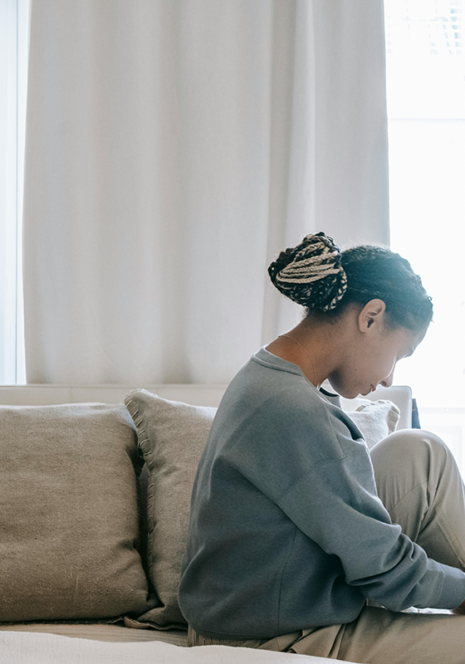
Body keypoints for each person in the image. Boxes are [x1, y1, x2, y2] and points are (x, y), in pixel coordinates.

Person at [178, 233, 465, 663]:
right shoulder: (295, 410)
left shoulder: (270, 371)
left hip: (273, 592)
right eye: (399, 354)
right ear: (370, 317)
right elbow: (388, 571)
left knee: (420, 451)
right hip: (268, 634)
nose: (389, 379)